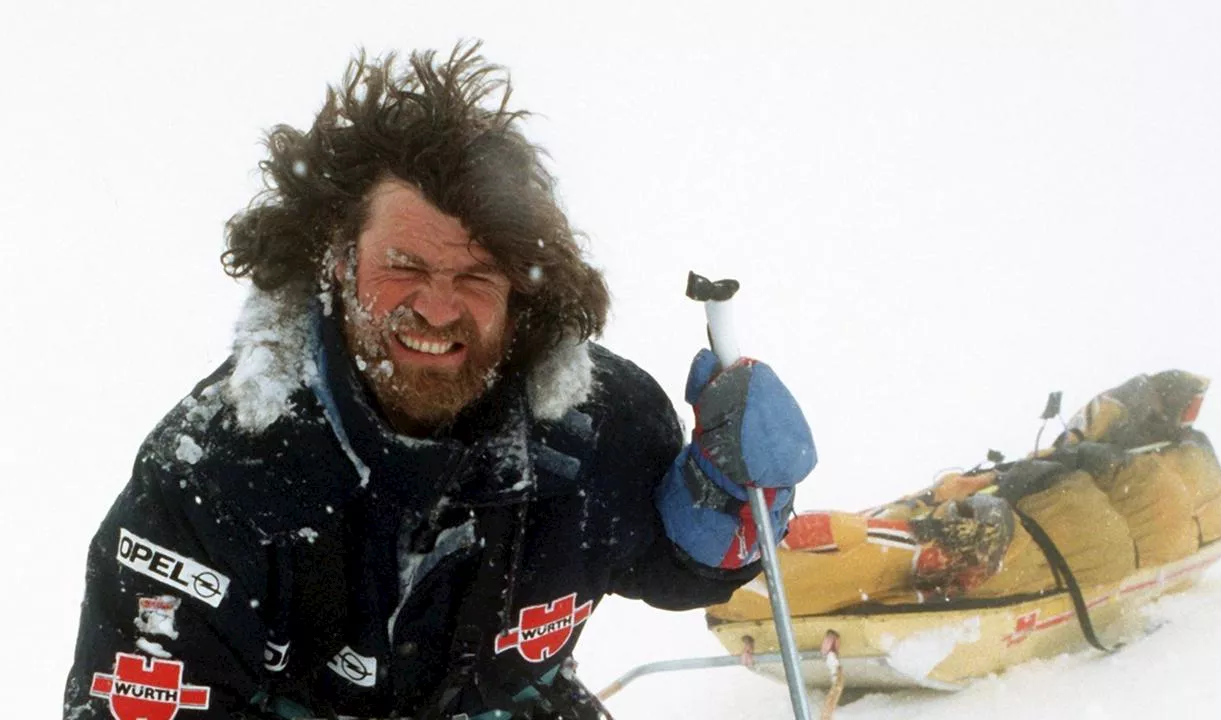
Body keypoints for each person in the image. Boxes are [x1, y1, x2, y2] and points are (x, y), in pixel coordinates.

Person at [63, 43, 816, 720]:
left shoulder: (594, 427)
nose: (437, 306)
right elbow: (135, 698)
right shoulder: (215, 475)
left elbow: (677, 568)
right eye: (405, 266)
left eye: (476, 274)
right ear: (336, 261)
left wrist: (728, 506)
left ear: (524, 291)